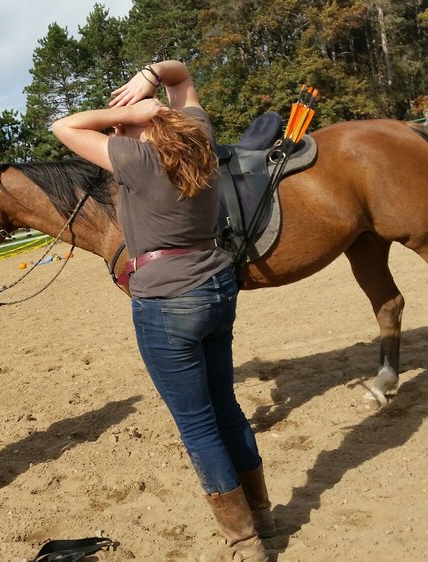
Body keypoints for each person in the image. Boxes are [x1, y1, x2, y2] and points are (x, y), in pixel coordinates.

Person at [51, 60, 275, 561]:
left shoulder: (137, 160)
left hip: (168, 300)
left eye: (118, 125)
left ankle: (244, 542)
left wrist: (137, 109)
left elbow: (62, 126)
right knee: (226, 405)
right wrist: (152, 78)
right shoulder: (197, 136)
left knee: (197, 424)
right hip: (216, 285)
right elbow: (184, 77)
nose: (112, 129)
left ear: (139, 131)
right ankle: (263, 519)